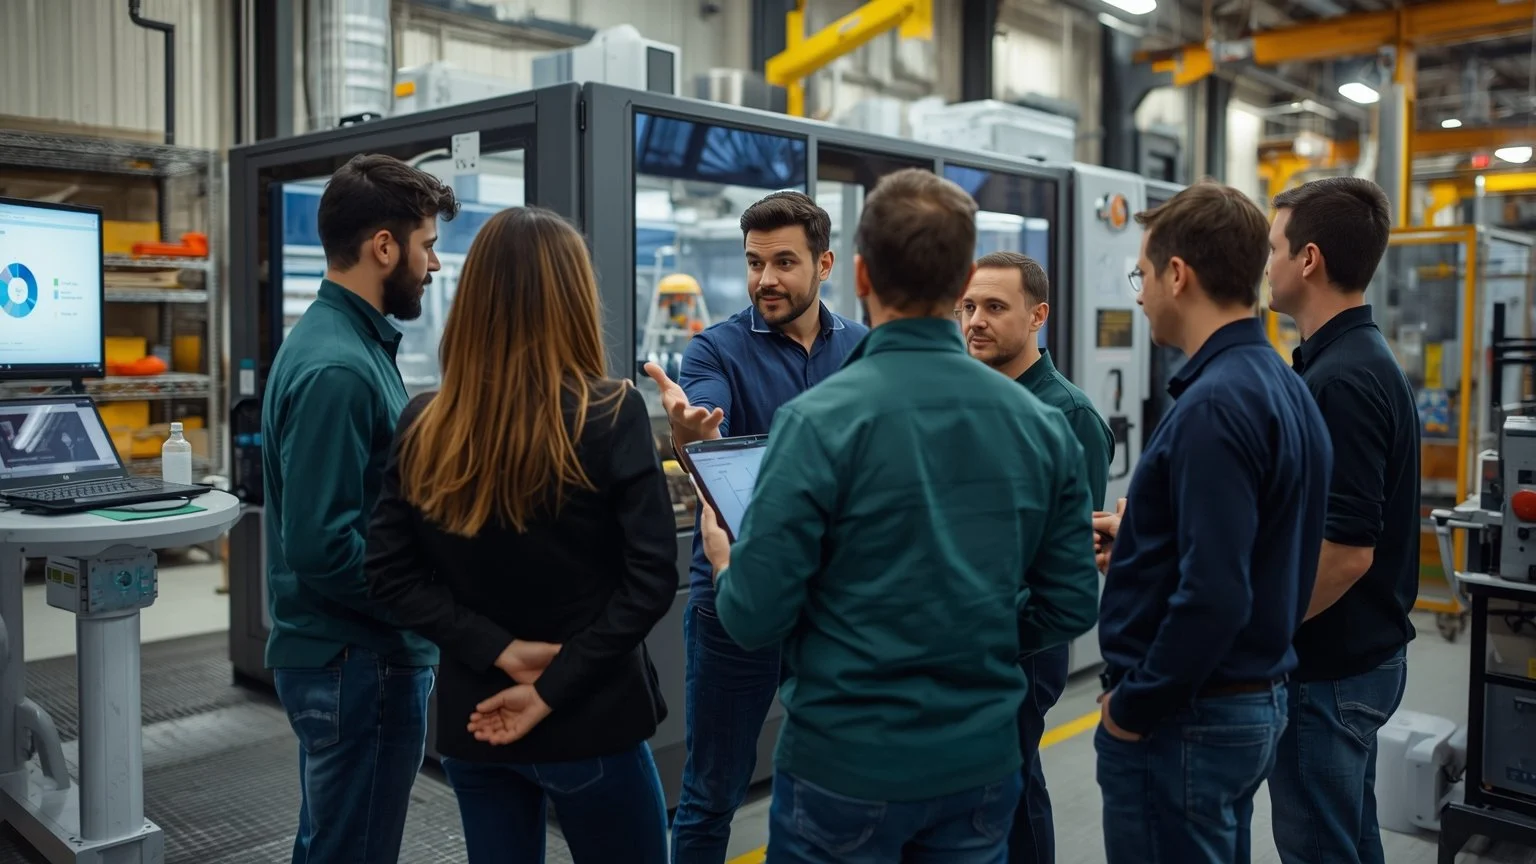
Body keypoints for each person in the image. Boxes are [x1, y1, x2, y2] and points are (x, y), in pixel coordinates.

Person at [697, 168, 1100, 864]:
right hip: (979, 761)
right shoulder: (1040, 426)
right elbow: (1071, 604)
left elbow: (754, 615)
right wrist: (980, 633)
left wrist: (727, 561)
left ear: (856, 272)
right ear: (965, 275)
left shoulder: (815, 424)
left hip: (844, 764)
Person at [365, 206, 677, 863]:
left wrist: (500, 650)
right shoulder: (613, 412)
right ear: (573, 297)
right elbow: (649, 583)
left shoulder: (426, 421)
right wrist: (551, 685)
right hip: (593, 720)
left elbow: (390, 574)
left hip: (478, 722)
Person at [1090, 180, 1333, 864]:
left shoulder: (1214, 406)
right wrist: (1142, 541)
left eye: (1142, 273)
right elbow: (1264, 544)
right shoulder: (1278, 383)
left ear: (1177, 274)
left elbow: (1215, 596)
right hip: (1242, 700)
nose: (1138, 294)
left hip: (1188, 716)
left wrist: (1131, 709)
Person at [643, 190, 867, 864]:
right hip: (734, 599)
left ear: (825, 264)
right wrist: (688, 434)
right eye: (754, 262)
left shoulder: (862, 349)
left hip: (832, 601)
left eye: (784, 262)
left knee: (827, 779)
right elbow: (700, 417)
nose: (766, 278)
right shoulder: (715, 350)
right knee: (712, 791)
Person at [260, 153, 458, 863]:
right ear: (384, 245)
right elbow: (321, 543)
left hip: (348, 659)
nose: (433, 265)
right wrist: (432, 602)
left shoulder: (346, 342)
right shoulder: (338, 367)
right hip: (356, 662)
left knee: (332, 842)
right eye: (428, 245)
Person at [1263, 177, 1418, 864]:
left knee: (1318, 849)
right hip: (1353, 663)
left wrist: (1257, 630)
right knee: (1348, 841)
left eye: (1272, 247)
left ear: (1309, 260)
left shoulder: (1344, 380)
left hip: (1330, 673)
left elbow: (1347, 551)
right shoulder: (1346, 362)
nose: (1264, 264)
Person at [958, 250, 1114, 864]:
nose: (976, 321)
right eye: (968, 306)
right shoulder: (967, 397)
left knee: (1010, 794)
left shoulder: (1067, 415)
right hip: (966, 638)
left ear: (1038, 315)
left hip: (1020, 648)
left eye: (995, 307)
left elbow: (1066, 563)